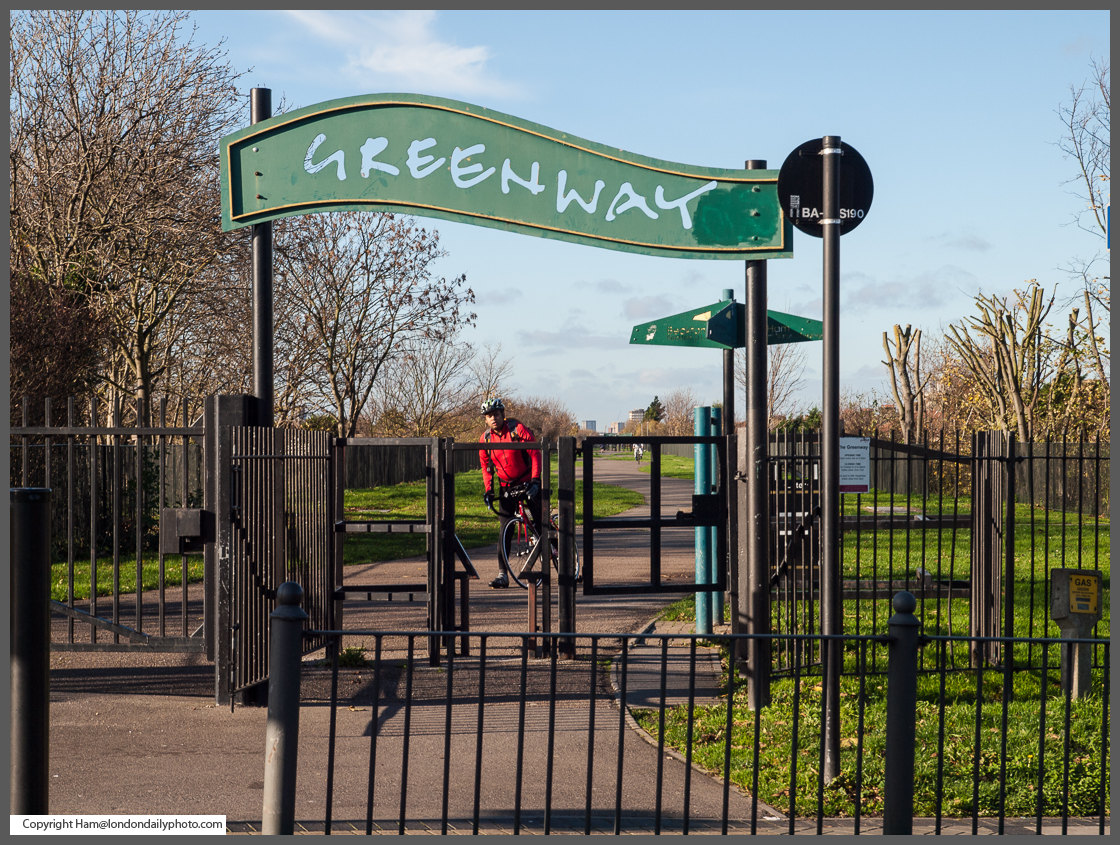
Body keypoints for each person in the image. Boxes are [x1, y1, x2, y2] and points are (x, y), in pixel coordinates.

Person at [478, 397, 542, 588]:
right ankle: (502, 575)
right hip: (506, 486)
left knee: (541, 524)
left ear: (503, 415)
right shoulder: (485, 439)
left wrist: (535, 480)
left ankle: (562, 561)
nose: (493, 418)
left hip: (527, 482)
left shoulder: (517, 430)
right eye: (489, 416)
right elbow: (486, 467)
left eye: (496, 414)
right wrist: (489, 490)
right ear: (485, 419)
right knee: (504, 529)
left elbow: (535, 454)